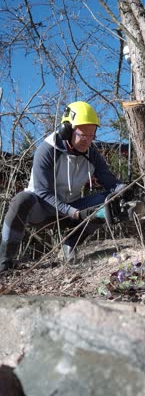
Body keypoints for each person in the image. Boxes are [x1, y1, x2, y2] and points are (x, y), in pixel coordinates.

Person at [0, 101, 126, 272]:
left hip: (72, 209)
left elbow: (111, 183)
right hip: (41, 210)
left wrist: (124, 191)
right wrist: (72, 212)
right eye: (83, 135)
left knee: (108, 200)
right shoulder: (46, 151)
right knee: (21, 199)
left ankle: (70, 245)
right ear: (67, 130)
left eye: (91, 135)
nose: (87, 141)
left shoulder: (92, 154)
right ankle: (5, 260)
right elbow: (42, 192)